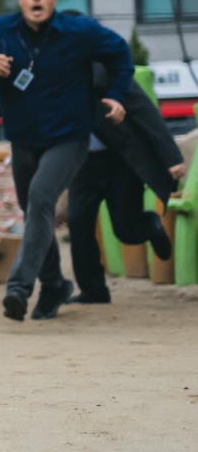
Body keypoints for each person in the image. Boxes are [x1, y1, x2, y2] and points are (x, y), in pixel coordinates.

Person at [0, 0, 132, 322]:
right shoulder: (0, 31)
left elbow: (120, 53)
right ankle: (54, 283)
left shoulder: (79, 32)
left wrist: (116, 95)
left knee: (41, 199)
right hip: (23, 139)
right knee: (35, 213)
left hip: (69, 138)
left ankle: (19, 288)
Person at [64, 62, 186, 305]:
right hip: (83, 164)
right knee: (78, 223)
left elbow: (145, 112)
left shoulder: (107, 69)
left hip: (121, 162)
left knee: (126, 230)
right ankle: (94, 290)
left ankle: (149, 224)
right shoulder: (48, 72)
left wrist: (171, 157)